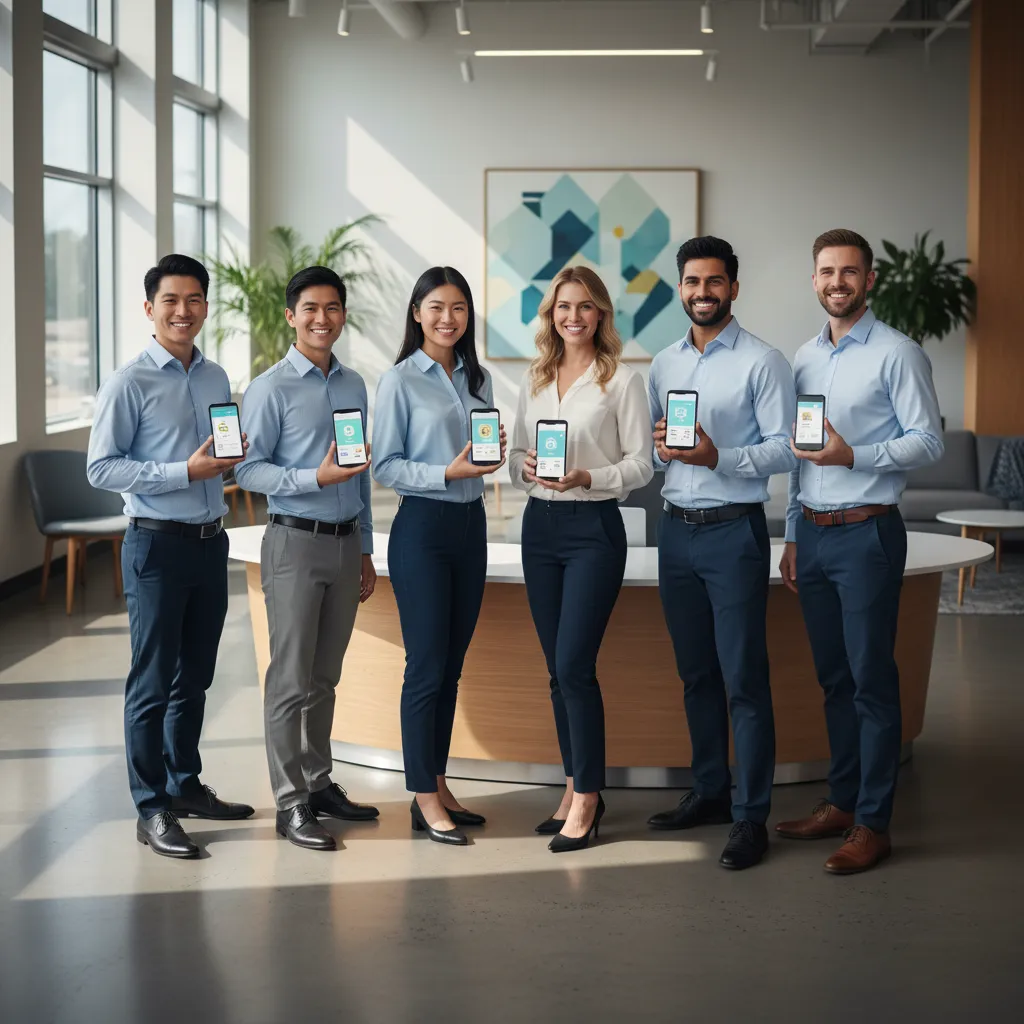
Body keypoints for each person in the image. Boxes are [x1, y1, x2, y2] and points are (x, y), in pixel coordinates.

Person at [776, 229, 943, 874]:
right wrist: (794, 532)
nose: (837, 282)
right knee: (834, 678)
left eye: (849, 272)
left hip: (868, 533)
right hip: (815, 536)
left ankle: (873, 823)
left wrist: (854, 454)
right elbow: (800, 453)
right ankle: (841, 802)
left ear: (869, 280)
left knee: (871, 679)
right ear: (814, 279)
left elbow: (928, 440)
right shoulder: (803, 357)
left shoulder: (898, 353)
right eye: (826, 271)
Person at [87, 254, 255, 859]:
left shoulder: (214, 376)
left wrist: (228, 461)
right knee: (152, 680)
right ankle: (151, 806)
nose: (183, 311)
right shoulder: (127, 381)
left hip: (211, 543)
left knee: (196, 678)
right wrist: (184, 470)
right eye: (170, 301)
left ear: (206, 306)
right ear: (149, 308)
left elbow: (215, 454)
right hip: (155, 545)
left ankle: (184, 785)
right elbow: (101, 468)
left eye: (194, 300)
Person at [646, 236, 796, 871]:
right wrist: (662, 447)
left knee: (743, 680)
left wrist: (718, 456)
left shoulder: (764, 361)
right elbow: (655, 451)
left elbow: (787, 449)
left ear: (733, 287)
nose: (702, 292)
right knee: (696, 675)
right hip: (674, 532)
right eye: (692, 281)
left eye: (713, 281)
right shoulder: (663, 364)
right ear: (680, 288)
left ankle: (750, 816)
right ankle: (710, 790)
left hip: (733, 532)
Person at [508, 266, 652, 853]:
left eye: (585, 306)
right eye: (564, 306)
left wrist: (588, 476)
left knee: (574, 666)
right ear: (551, 314)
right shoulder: (535, 377)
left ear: (601, 315)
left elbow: (642, 465)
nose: (574, 316)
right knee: (556, 670)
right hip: (539, 528)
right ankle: (573, 787)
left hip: (594, 529)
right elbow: (516, 453)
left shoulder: (623, 381)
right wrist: (523, 467)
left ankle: (589, 798)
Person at [235, 266, 379, 852]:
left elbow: (360, 473)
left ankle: (319, 784)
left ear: (343, 315)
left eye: (333, 308)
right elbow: (247, 470)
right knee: (290, 680)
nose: (323, 319)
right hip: (294, 543)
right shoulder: (269, 389)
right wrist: (311, 478)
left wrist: (365, 547)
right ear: (291, 316)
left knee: (326, 677)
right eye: (311, 309)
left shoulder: (354, 385)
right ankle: (290, 801)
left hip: (345, 545)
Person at [372, 266, 506, 846]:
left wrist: (489, 457)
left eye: (458, 308)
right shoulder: (399, 380)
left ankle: (439, 784)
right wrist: (446, 471)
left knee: (451, 667)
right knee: (426, 666)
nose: (448, 319)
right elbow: (384, 465)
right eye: (436, 308)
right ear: (417, 313)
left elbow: (480, 450)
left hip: (471, 527)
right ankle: (422, 795)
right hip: (423, 528)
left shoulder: (479, 378)